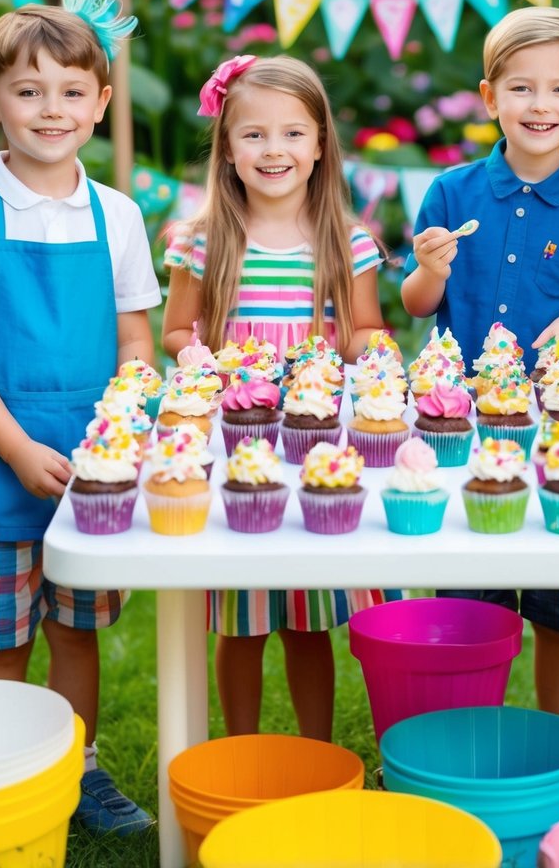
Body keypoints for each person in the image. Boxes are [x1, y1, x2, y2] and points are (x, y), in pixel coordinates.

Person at [401, 6, 559, 713]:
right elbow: (416, 305)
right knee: (469, 602)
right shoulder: (450, 193)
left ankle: (554, 736)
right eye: (521, 88)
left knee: (556, 607)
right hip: (462, 429)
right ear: (489, 98)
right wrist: (431, 270)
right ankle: (460, 732)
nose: (540, 105)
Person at [162, 53, 395, 740]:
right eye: (254, 134)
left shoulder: (344, 242)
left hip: (314, 443)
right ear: (227, 148)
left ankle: (315, 752)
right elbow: (177, 328)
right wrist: (196, 353)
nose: (274, 150)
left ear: (320, 144)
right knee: (239, 619)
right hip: (236, 441)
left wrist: (376, 353)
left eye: (293, 133)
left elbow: (362, 331)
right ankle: (237, 750)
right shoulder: (203, 243)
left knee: (306, 616)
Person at [0, 0, 160, 834]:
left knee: (77, 631)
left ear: (100, 103)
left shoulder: (118, 215)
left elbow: (134, 341)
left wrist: (126, 423)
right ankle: (0, 771)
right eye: (28, 91)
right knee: (0, 639)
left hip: (93, 475)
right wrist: (16, 450)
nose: (51, 110)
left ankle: (77, 770)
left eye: (71, 92)